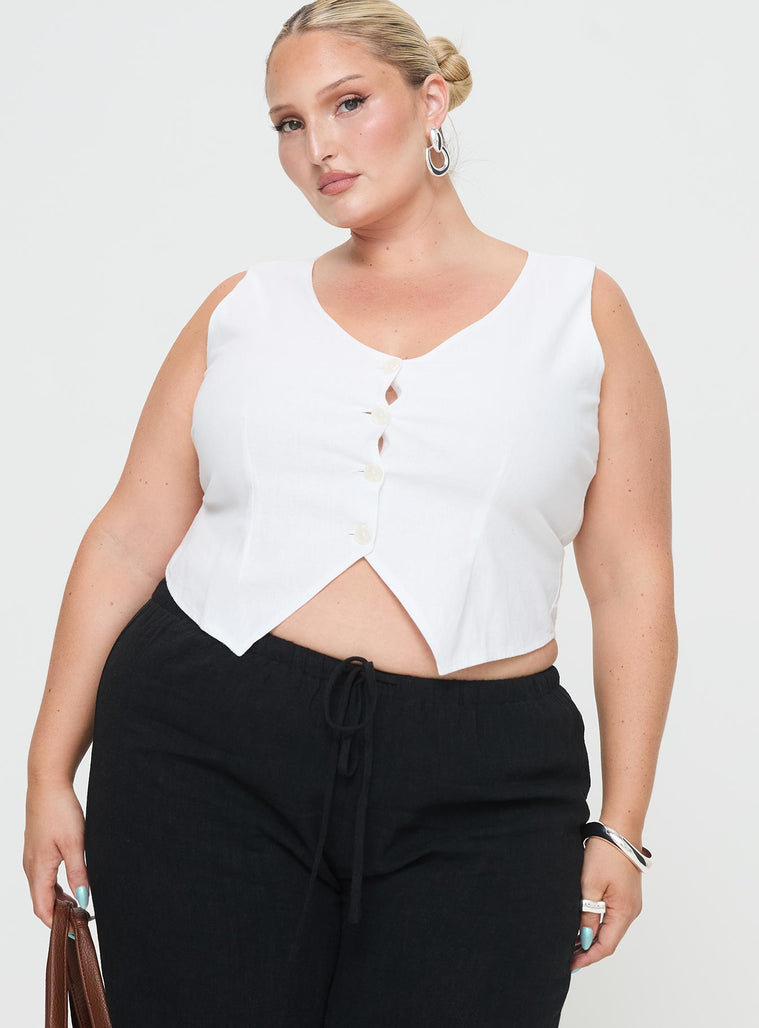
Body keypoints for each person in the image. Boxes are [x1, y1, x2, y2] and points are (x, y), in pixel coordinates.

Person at [23, 1, 677, 1025]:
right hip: (204, 748)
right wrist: (47, 771)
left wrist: (622, 826)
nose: (317, 147)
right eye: (288, 123)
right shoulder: (243, 310)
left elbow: (632, 579)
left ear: (431, 100)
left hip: (486, 777)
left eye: (347, 103)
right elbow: (126, 539)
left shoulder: (580, 313)